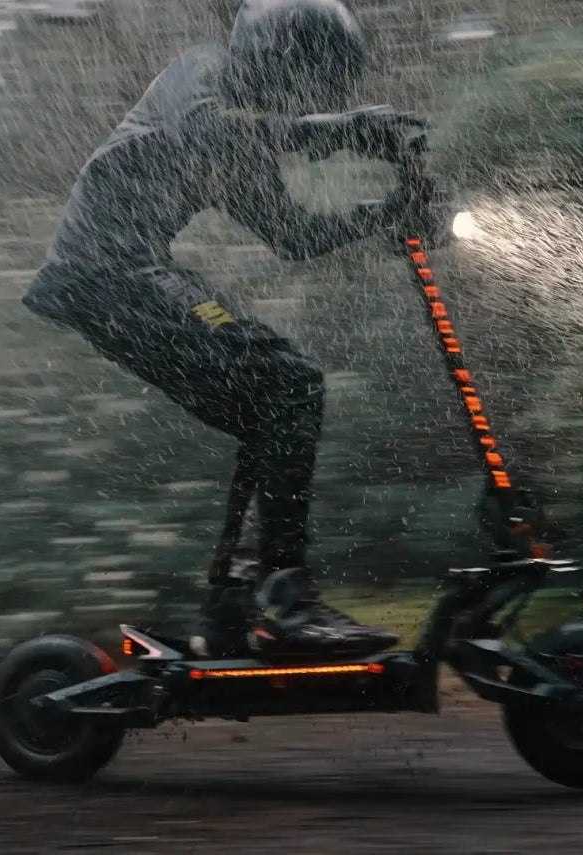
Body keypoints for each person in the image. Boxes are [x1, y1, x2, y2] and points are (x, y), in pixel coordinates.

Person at [22, 0, 428, 660]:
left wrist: (384, 211)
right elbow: (213, 134)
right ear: (274, 56)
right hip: (107, 273)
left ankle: (232, 610)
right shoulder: (199, 76)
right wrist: (343, 129)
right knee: (290, 384)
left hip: (133, 274)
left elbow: (292, 235)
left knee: (272, 411)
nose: (310, 97)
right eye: (310, 81)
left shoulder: (246, 133)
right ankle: (287, 604)